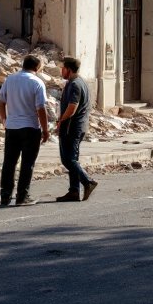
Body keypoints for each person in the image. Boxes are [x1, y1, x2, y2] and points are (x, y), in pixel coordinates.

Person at [0, 54, 50, 207]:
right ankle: (22, 195)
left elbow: (1, 101)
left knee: (9, 162)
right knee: (27, 163)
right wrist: (45, 129)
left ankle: (5, 195)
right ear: (36, 67)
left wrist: (4, 120)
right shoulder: (37, 82)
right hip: (30, 127)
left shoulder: (10, 79)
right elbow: (41, 108)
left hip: (12, 127)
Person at [54, 57, 98, 203]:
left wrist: (61, 121)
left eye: (63, 68)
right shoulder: (77, 83)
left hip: (72, 127)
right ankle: (74, 191)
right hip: (76, 126)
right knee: (72, 159)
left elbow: (72, 107)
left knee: (69, 159)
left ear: (69, 69)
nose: (61, 71)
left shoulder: (75, 85)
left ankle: (87, 181)